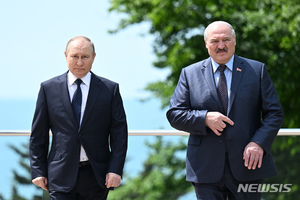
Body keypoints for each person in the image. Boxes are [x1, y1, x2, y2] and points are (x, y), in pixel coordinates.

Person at [166, 21, 284, 200]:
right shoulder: (189, 74)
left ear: (235, 41)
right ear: (206, 44)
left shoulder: (257, 70)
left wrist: (258, 143)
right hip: (205, 168)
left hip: (248, 166)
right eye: (215, 41)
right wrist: (204, 118)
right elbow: (175, 114)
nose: (221, 46)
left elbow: (274, 113)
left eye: (226, 40)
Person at [30, 36, 128, 200]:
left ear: (94, 57)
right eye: (75, 56)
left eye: (85, 57)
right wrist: (38, 170)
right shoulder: (48, 89)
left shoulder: (109, 89)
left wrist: (115, 169)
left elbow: (119, 133)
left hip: (97, 176)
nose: (80, 62)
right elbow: (38, 134)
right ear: (65, 56)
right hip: (60, 175)